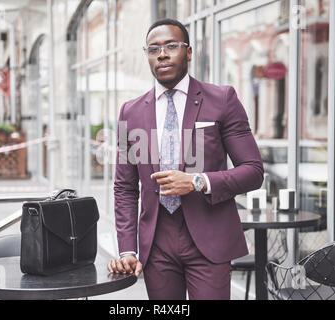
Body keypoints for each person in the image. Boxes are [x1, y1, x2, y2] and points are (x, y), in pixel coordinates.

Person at [107, 18, 264, 300]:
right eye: (153, 49)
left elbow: (253, 171)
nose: (162, 54)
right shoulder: (128, 113)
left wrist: (197, 181)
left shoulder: (222, 99)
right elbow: (125, 188)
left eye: (171, 46)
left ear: (189, 52)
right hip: (157, 244)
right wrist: (127, 249)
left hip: (209, 240)